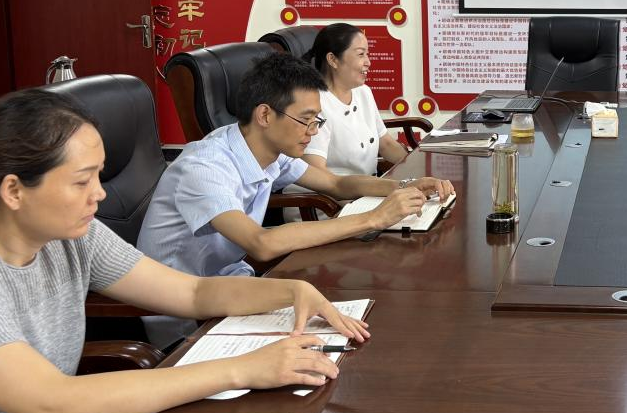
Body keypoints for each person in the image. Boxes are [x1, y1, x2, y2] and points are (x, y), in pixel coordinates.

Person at [0, 90, 367, 413]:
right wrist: (244, 368)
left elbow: (191, 293)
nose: (99, 195)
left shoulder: (72, 235)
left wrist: (290, 292)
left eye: (99, 177)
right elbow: (52, 403)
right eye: (81, 181)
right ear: (14, 191)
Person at [137, 52, 454, 346]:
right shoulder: (205, 167)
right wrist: (374, 218)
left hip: (230, 287)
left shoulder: (267, 149)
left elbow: (335, 183)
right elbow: (261, 243)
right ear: (265, 115)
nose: (313, 132)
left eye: (317, 120)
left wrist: (403, 185)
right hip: (181, 317)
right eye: (307, 120)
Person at [301, 23, 419, 177]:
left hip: (368, 185)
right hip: (332, 191)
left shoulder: (363, 92)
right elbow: (317, 174)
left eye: (367, 54)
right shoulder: (314, 103)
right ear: (333, 60)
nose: (368, 62)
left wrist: (418, 169)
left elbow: (386, 144)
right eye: (361, 54)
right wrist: (382, 188)